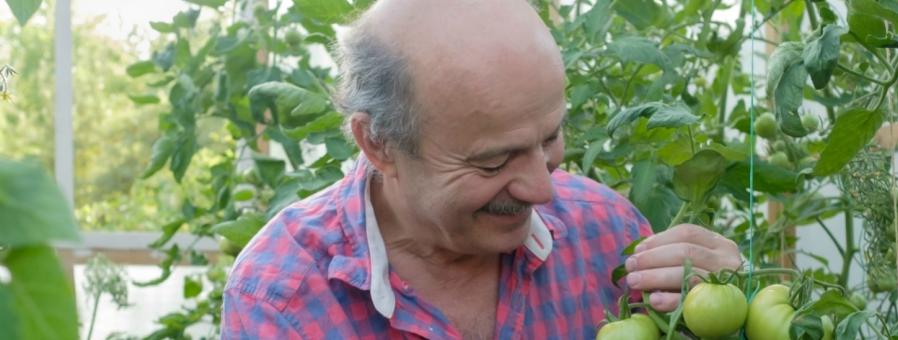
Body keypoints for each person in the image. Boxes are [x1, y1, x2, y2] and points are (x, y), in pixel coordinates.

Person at [220, 0, 744, 338]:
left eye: (551, 137)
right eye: (494, 160)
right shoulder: (282, 301)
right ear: (378, 143)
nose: (542, 187)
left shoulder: (608, 233)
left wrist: (727, 318)